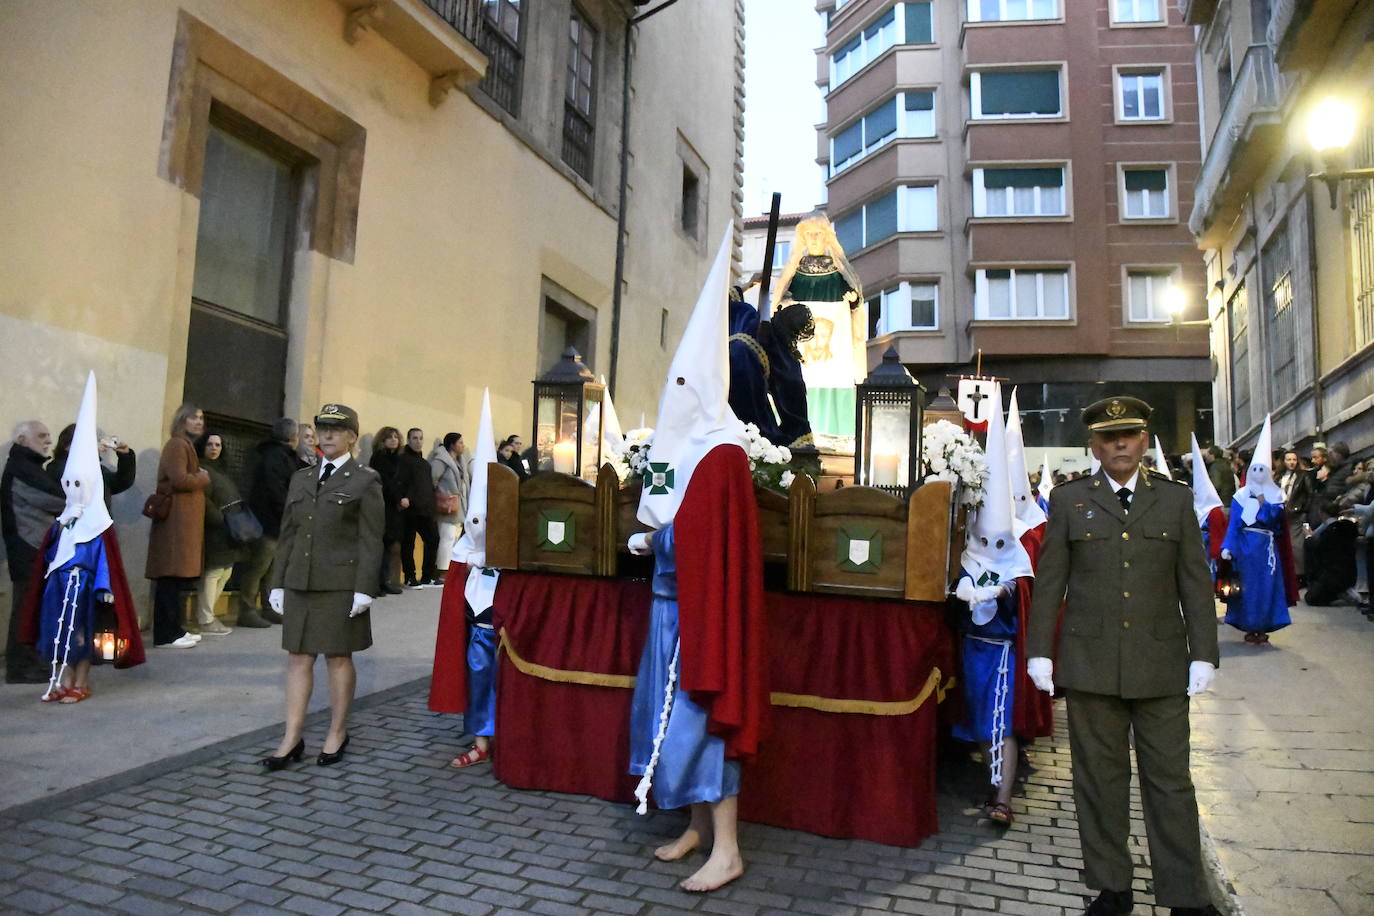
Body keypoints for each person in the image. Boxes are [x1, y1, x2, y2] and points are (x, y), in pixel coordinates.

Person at [1026, 396, 1220, 916]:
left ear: (1143, 440)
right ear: (1093, 444)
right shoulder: (1069, 501)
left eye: (1129, 435)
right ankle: (1112, 888)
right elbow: (1049, 584)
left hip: (1160, 666)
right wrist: (1039, 651)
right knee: (1099, 783)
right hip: (1090, 667)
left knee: (1171, 784)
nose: (1119, 444)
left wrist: (1203, 653)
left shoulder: (1175, 500)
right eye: (1109, 437)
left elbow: (1195, 585)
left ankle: (1185, 896)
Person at [626, 229, 768, 893]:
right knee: (665, 722)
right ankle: (694, 826)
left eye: (684, 381)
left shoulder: (722, 454)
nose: (673, 391)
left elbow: (701, 546)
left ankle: (728, 847)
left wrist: (653, 542)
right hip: (666, 615)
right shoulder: (685, 451)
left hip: (698, 621)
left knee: (704, 727)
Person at [262, 403, 383, 770]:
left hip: (340, 584)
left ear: (351, 436)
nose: (327, 435)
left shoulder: (365, 479)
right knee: (298, 658)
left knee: (337, 657)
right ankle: (291, 737)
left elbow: (371, 539)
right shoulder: (301, 478)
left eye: (336, 429)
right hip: (300, 580)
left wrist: (365, 588)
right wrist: (277, 582)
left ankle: (337, 732)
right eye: (322, 428)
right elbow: (288, 535)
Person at [17, 374, 145, 701]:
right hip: (58, 585)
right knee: (57, 632)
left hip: (84, 585)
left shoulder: (96, 524)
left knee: (81, 633)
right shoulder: (62, 518)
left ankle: (79, 681)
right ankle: (60, 680)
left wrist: (103, 587)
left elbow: (103, 558)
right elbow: (51, 551)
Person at [951, 386, 1037, 826]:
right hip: (971, 650)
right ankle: (992, 781)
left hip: (1001, 653)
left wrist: (1000, 591)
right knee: (980, 721)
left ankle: (1002, 797)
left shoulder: (1017, 563)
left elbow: (1022, 594)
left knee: (999, 721)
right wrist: (964, 589)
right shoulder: (967, 555)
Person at [430, 391, 500, 769]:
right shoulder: (462, 551)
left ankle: (502, 735)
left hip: (500, 624)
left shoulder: (509, 545)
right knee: (477, 679)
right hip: (477, 625)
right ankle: (480, 739)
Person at [772, 214, 865, 436]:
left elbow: (854, 300)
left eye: (818, 234)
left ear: (826, 237)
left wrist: (853, 300)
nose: (814, 239)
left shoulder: (838, 269)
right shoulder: (795, 269)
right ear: (803, 238)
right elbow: (779, 301)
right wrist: (785, 303)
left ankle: (838, 434)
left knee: (835, 379)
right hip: (801, 351)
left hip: (835, 347)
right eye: (809, 234)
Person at [1220, 417, 1299, 645]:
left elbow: (1273, 521)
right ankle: (1247, 624)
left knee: (1265, 589)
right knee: (1246, 589)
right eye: (1253, 468)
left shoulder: (1275, 496)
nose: (1257, 472)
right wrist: (1228, 546)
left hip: (1266, 551)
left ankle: (1264, 624)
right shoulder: (1240, 496)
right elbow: (1235, 523)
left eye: (1261, 469)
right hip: (1245, 550)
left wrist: (1263, 501)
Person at [4, 419, 66, 682]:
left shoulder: (28, 467)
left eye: (49, 436)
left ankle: (31, 660)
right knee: (25, 609)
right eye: (41, 436)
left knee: (32, 607)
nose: (48, 441)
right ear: (22, 440)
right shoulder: (21, 469)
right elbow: (55, 499)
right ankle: (19, 666)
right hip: (27, 548)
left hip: (33, 548)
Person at [144, 403, 209, 649]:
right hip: (175, 523)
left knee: (177, 578)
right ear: (182, 420)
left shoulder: (185, 445)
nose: (198, 422)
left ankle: (176, 629)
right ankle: (166, 634)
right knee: (169, 577)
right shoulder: (177, 445)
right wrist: (202, 476)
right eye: (193, 417)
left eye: (201, 417)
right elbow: (180, 479)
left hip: (183, 522)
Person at [235, 418, 301, 627]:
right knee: (258, 568)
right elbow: (277, 490)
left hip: (277, 521)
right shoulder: (275, 457)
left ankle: (269, 607)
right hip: (269, 521)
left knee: (272, 568)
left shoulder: (282, 456)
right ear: (292, 437)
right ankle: (246, 611)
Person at [194, 432, 243, 637]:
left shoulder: (222, 469)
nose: (214, 448)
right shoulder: (201, 467)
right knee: (213, 572)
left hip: (229, 527)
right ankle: (205, 619)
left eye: (218, 445)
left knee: (226, 571)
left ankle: (208, 615)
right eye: (210, 444)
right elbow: (203, 498)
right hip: (215, 528)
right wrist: (218, 519)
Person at [48, 423, 136, 509]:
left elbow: (121, 482)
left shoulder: (98, 469)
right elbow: (77, 484)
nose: (91, 445)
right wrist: (89, 451)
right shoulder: (56, 468)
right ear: (67, 446)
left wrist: (125, 456)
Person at [398, 427, 440, 587]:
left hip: (425, 509)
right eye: (415, 438)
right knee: (408, 544)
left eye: (421, 438)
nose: (418, 441)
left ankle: (427, 576)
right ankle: (410, 576)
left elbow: (427, 486)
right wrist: (404, 498)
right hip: (409, 509)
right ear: (409, 440)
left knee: (433, 539)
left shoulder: (424, 463)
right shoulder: (403, 460)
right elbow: (402, 482)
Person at [369, 426, 405, 595]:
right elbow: (385, 482)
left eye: (396, 437)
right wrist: (399, 498)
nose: (393, 440)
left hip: (393, 507)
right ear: (382, 441)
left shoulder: (398, 458)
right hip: (383, 505)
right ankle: (374, 583)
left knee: (388, 546)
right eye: (389, 437)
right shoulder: (379, 458)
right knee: (379, 545)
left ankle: (384, 581)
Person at [429, 432, 469, 583]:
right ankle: (442, 571)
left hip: (459, 504)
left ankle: (451, 568)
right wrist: (442, 494)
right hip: (446, 503)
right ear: (452, 444)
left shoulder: (460, 460)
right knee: (447, 537)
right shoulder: (441, 460)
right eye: (460, 443)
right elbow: (433, 479)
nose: (462, 445)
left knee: (455, 538)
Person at [1278, 449, 1314, 581]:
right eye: (1288, 459)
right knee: (1285, 544)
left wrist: (1304, 510)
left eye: (1294, 459)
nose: (1292, 462)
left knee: (1296, 545)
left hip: (1297, 514)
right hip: (1282, 513)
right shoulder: (1279, 477)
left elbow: (1310, 494)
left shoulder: (1303, 475)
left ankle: (1299, 574)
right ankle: (1288, 572)